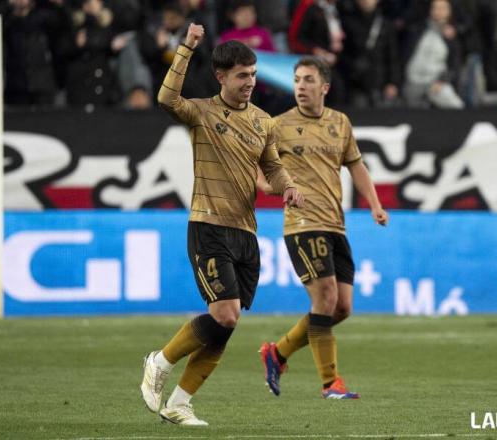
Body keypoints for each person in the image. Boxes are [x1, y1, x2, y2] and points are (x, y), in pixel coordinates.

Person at [140, 24, 304, 426]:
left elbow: (274, 168)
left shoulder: (264, 122)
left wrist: (288, 186)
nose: (250, 82)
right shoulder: (201, 111)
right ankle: (160, 360)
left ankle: (179, 403)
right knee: (225, 315)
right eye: (241, 76)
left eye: (253, 74)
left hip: (246, 233)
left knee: (225, 326)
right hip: (208, 226)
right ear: (221, 77)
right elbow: (165, 98)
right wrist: (187, 48)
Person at [257, 56, 388, 399]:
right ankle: (331, 383)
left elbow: (356, 166)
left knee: (341, 307)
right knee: (326, 296)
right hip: (302, 223)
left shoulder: (340, 123)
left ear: (324, 87)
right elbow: (256, 167)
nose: (300, 86)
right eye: (297, 80)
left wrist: (374, 204)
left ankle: (278, 352)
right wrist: (273, 186)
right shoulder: (278, 125)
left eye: (308, 80)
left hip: (335, 223)